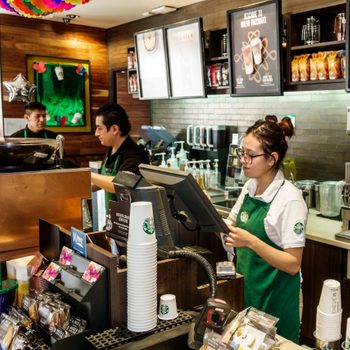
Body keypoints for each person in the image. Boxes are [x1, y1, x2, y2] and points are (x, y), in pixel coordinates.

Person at [223, 117, 307, 343]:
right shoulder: (251, 186)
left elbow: (292, 263)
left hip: (277, 300)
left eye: (250, 155)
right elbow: (230, 224)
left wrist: (250, 241)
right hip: (251, 293)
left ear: (272, 159)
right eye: (242, 153)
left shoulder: (290, 199)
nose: (243, 160)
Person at [91, 103, 149, 212]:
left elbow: (119, 185)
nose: (96, 134)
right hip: (114, 219)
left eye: (99, 128)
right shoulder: (111, 150)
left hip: (131, 220)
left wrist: (89, 175)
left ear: (114, 129)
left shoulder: (135, 154)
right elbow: (102, 182)